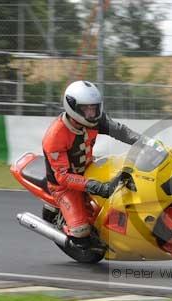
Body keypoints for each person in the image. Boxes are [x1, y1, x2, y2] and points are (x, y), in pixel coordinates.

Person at [42, 80, 141, 250]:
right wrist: (99, 187)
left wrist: (143, 142)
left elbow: (119, 130)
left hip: (89, 168)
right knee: (81, 235)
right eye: (86, 109)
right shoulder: (55, 136)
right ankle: (65, 228)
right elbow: (63, 177)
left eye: (94, 107)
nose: (91, 113)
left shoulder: (95, 120)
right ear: (73, 107)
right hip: (64, 186)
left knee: (127, 183)